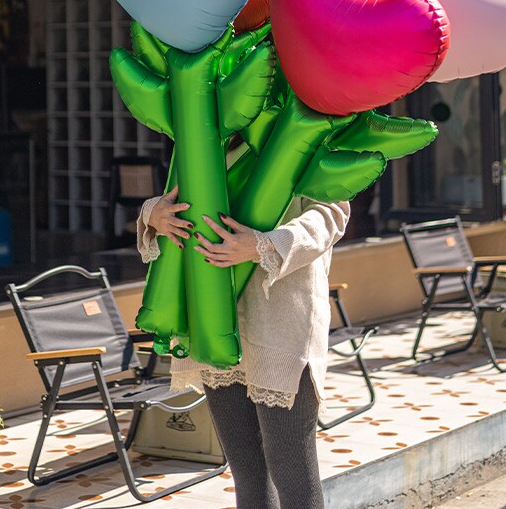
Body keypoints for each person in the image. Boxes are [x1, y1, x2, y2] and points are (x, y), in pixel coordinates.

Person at [136, 153, 350, 509]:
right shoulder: (213, 133)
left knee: (293, 474)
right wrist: (153, 213)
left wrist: (265, 244)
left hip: (283, 325)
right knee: (247, 473)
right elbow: (177, 197)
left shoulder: (309, 131)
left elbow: (332, 213)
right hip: (214, 323)